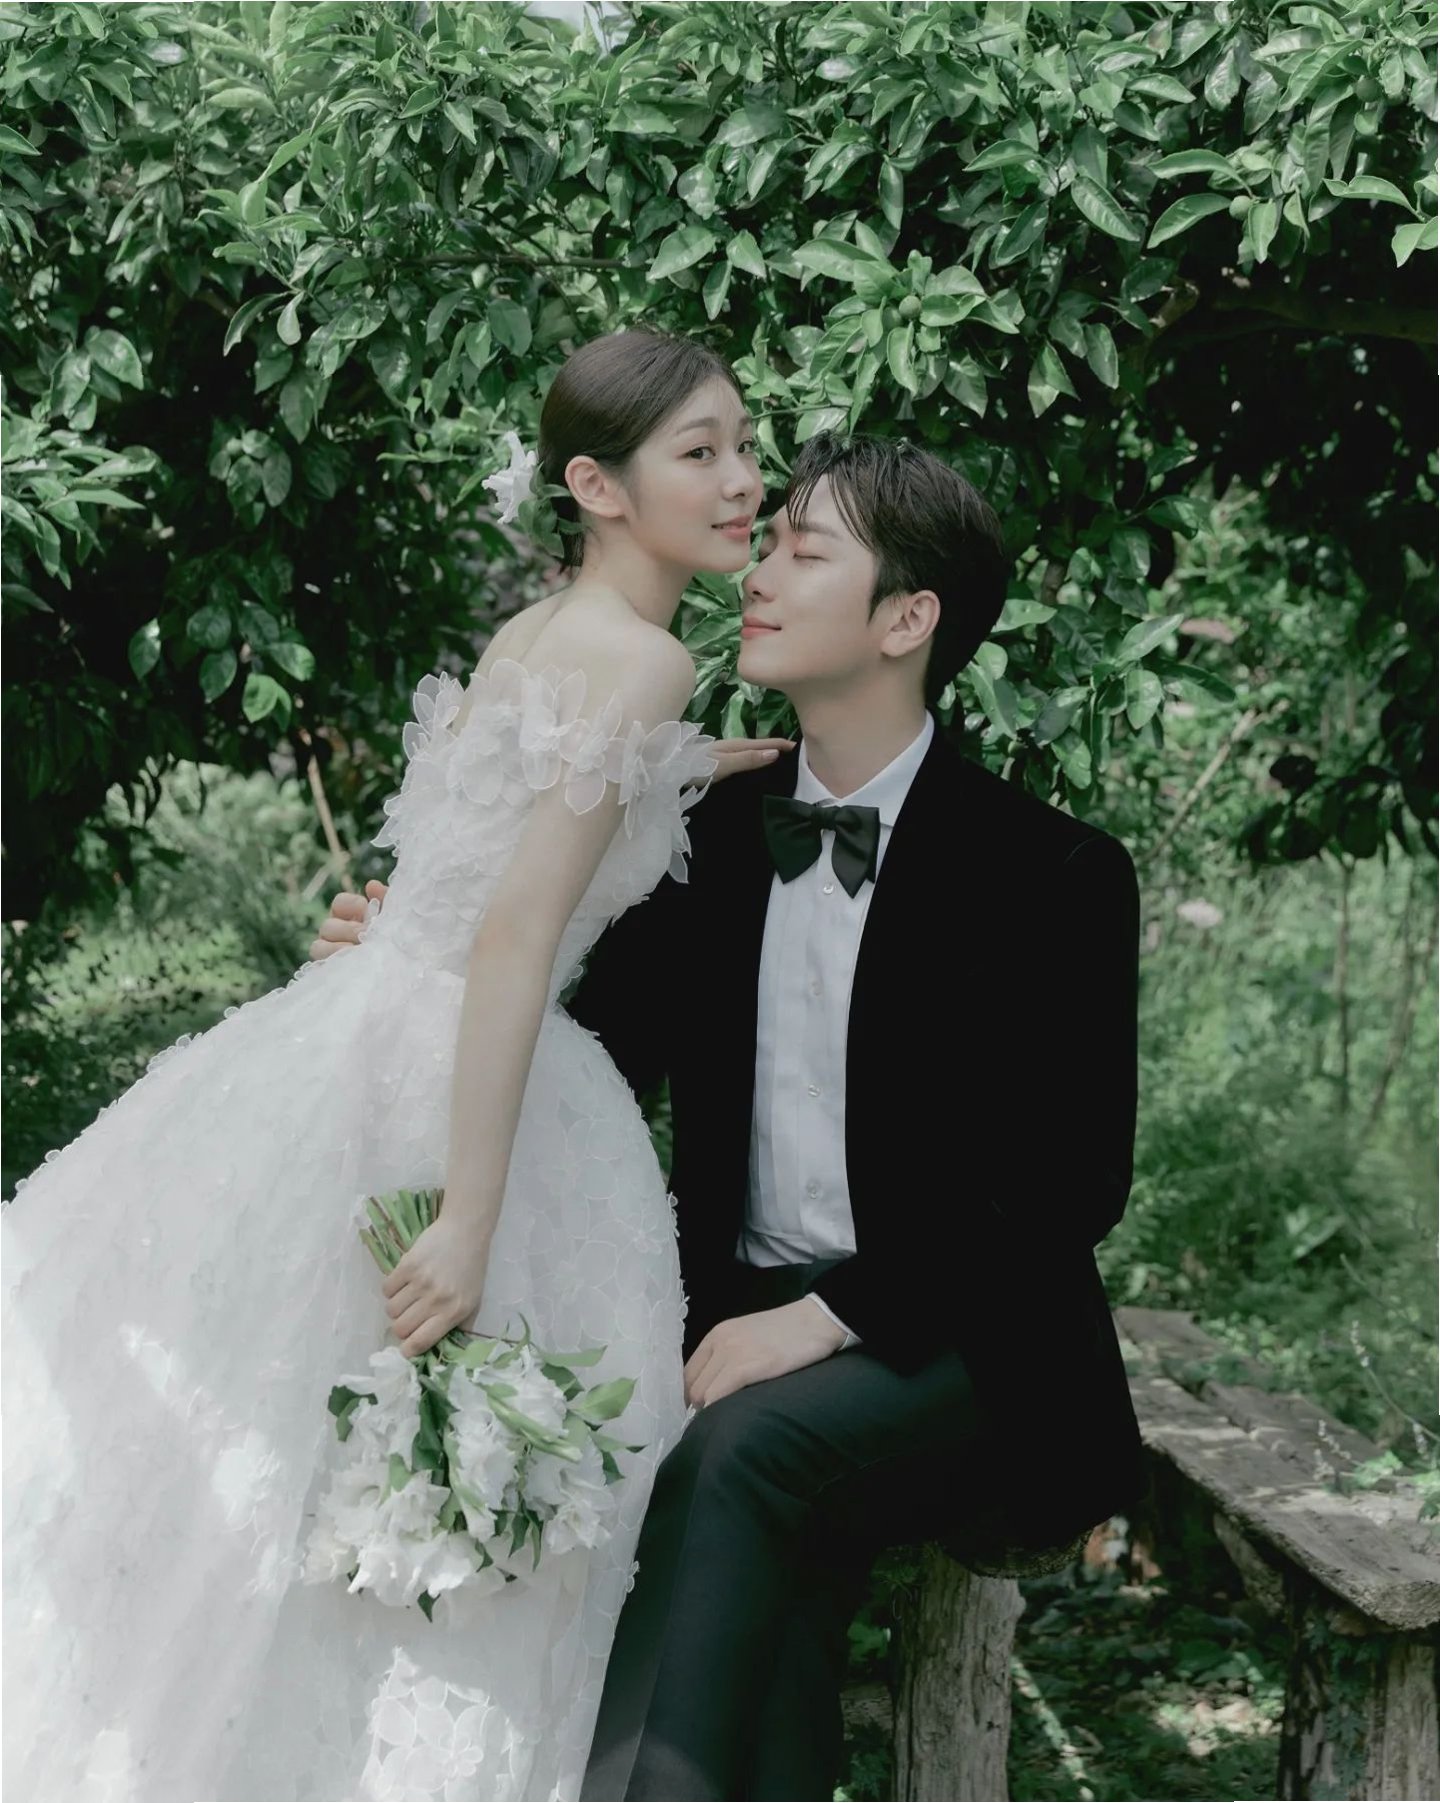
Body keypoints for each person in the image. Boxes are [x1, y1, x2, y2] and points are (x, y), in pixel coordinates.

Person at [1, 329, 785, 1803]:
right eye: (702, 453)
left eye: (745, 446)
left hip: (363, 1029)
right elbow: (514, 933)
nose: (744, 479)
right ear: (597, 487)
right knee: (428, 1462)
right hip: (465, 1083)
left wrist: (700, 765)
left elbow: (494, 842)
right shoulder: (649, 659)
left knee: (289, 1438)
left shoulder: (546, 632)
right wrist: (471, 1216)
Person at [323, 430, 1144, 1800]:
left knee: (736, 1459)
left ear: (906, 619)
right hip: (725, 1318)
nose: (757, 574)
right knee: (756, 1572)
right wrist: (409, 968)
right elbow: (580, 1052)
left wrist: (826, 1319)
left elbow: (1066, 1187)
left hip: (968, 1341)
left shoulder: (1052, 872)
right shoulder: (706, 832)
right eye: (766, 544)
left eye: (803, 552)